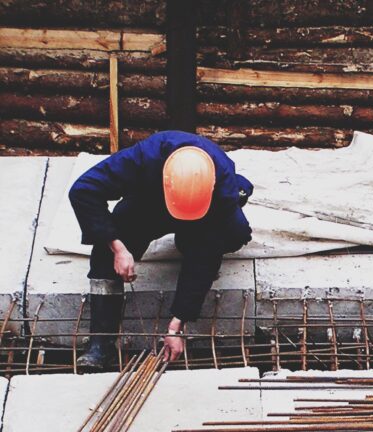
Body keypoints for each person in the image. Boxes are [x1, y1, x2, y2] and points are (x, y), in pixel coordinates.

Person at [68, 131, 254, 371]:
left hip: (204, 214)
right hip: (151, 202)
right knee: (105, 249)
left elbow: (203, 260)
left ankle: (187, 237)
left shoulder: (223, 188)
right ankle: (101, 344)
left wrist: (176, 326)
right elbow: (83, 190)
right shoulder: (143, 159)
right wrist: (118, 247)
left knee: (234, 233)